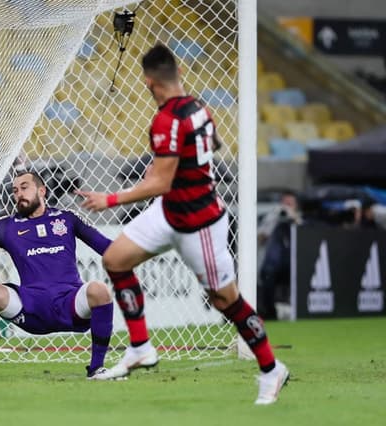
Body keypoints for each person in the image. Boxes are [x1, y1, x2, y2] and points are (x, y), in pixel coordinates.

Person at [76, 43, 290, 403]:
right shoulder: (199, 108)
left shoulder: (165, 118)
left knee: (225, 300)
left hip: (199, 223)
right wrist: (166, 165)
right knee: (115, 259)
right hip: (170, 211)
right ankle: (141, 345)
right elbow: (200, 154)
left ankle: (271, 369)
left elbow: (161, 182)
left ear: (148, 82)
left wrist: (109, 199)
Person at [0, 171, 115, 380]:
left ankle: (96, 369)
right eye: (15, 190)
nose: (18, 194)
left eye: (24, 187)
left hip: (70, 304)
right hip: (31, 308)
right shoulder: (6, 227)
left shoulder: (66, 219)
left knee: (100, 290)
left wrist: (140, 249)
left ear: (42, 191)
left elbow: (108, 248)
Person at [257, 191, 302, 320]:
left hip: (295, 264)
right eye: (284, 203)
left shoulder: (298, 219)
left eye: (290, 204)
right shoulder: (272, 218)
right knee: (268, 273)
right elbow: (260, 238)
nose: (286, 207)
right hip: (274, 265)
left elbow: (306, 238)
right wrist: (274, 220)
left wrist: (294, 218)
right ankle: (270, 312)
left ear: (296, 206)